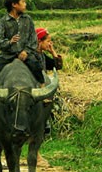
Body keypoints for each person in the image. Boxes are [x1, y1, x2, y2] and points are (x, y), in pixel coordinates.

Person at [35, 27, 63, 167]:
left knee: (43, 125)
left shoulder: (42, 55)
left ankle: (35, 154)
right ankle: (36, 156)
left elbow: (58, 66)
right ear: (39, 41)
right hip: (33, 93)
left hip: (43, 93)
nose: (50, 44)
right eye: (48, 41)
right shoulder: (30, 55)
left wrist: (53, 52)